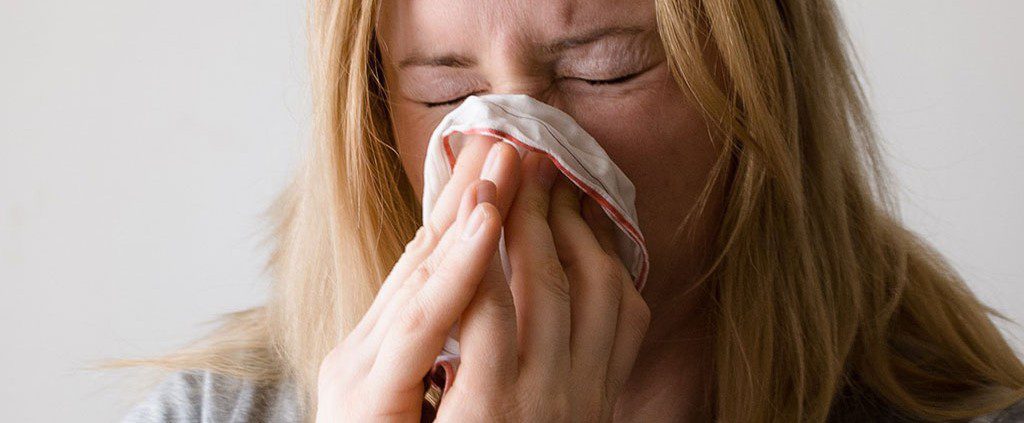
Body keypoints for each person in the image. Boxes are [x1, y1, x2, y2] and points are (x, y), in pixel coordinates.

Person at [120, 0, 1024, 421]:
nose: (508, 160)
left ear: (759, 98)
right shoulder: (209, 413)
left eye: (607, 73)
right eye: (443, 93)